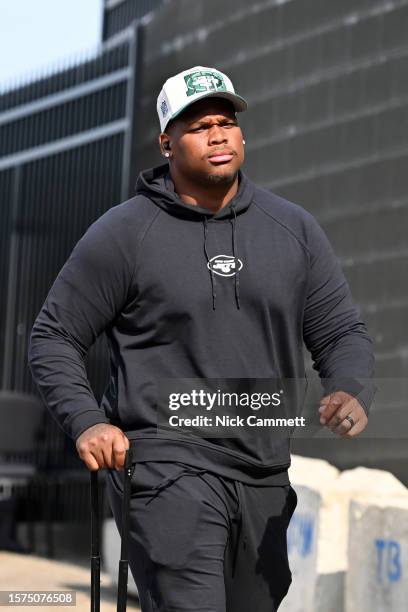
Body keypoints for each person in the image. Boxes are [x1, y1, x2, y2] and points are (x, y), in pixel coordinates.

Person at [28, 65, 375, 611]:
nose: (217, 135)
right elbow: (53, 336)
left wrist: (351, 388)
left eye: (226, 122)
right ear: (167, 142)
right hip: (166, 464)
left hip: (263, 468)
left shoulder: (294, 229)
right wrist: (88, 421)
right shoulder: (124, 233)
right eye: (198, 126)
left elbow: (339, 332)